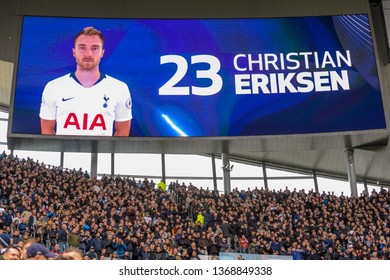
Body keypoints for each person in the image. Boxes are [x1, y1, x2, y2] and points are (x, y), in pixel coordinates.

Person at [39, 26, 132, 136]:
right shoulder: (53, 87)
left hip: (102, 153)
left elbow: (123, 132)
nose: (88, 54)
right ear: (74, 52)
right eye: (82, 48)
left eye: (94, 48)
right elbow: (47, 131)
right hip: (65, 153)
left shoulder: (119, 88)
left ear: (102, 52)